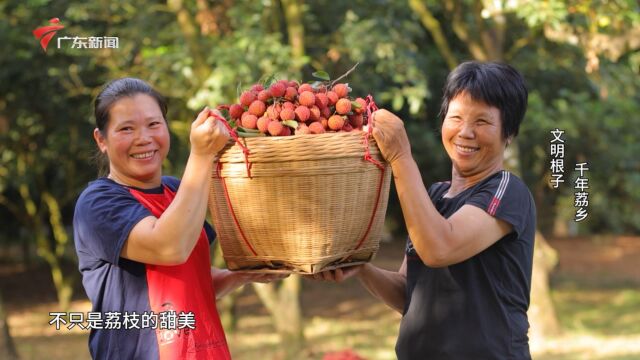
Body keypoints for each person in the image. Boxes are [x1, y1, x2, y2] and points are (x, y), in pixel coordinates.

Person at [312, 61, 536, 359]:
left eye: (482, 122)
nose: (465, 132)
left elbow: (439, 248)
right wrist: (361, 268)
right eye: (456, 118)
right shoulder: (434, 196)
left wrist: (400, 155)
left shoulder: (507, 191)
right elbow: (409, 292)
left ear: (508, 133)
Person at [73, 77, 286, 359]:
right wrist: (201, 154)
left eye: (153, 124)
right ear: (102, 139)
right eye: (126, 129)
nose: (144, 138)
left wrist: (239, 275)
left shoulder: (177, 190)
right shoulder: (98, 203)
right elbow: (169, 248)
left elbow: (190, 279)